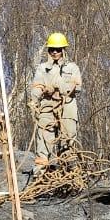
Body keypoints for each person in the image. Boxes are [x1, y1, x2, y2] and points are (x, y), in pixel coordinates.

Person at [29, 32, 82, 171]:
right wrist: (34, 101)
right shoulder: (42, 68)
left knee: (68, 139)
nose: (54, 52)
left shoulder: (73, 67)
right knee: (44, 137)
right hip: (47, 106)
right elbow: (37, 86)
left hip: (68, 106)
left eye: (57, 49)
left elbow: (76, 87)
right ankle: (40, 174)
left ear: (63, 50)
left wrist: (59, 86)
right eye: (52, 49)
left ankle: (69, 172)